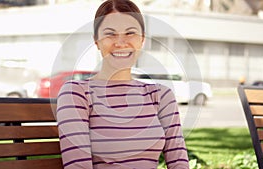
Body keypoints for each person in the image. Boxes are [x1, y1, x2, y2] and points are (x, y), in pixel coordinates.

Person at [56, 0, 189, 168]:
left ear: (142, 40)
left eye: (130, 33)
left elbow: (179, 162)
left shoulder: (161, 95)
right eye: (110, 34)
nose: (120, 42)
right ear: (96, 41)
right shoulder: (76, 93)